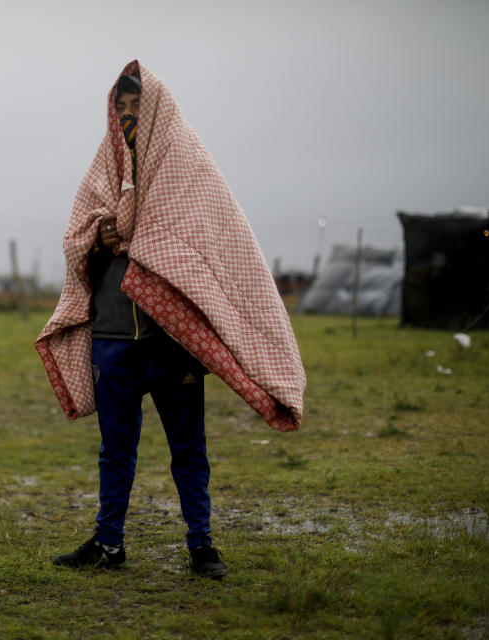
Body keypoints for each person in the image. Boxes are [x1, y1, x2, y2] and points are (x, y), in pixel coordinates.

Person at [36, 61, 305, 579]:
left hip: (172, 343)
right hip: (113, 339)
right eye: (120, 107)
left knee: (189, 450)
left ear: (157, 107)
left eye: (136, 105)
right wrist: (101, 237)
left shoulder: (189, 171)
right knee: (115, 452)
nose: (128, 116)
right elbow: (77, 245)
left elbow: (209, 241)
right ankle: (109, 543)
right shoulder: (104, 173)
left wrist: (140, 238)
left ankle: (202, 546)